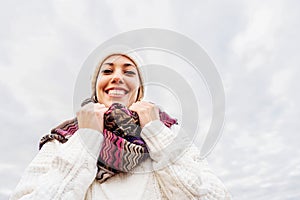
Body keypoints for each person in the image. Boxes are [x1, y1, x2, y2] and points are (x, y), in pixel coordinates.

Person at [10, 53, 231, 200]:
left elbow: (213, 196)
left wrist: (154, 131)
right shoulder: (63, 140)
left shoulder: (168, 133)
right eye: (107, 71)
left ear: (140, 91)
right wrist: (87, 137)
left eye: (128, 72)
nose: (117, 77)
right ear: (96, 88)